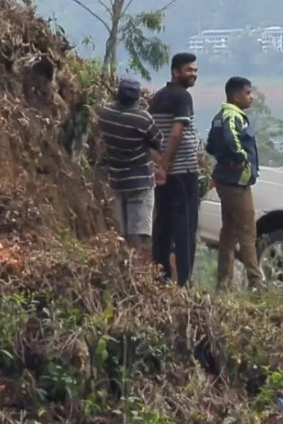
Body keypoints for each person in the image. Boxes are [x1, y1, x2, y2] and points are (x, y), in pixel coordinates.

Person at [94, 78, 165, 255]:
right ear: (137, 98)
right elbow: (158, 141)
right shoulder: (142, 118)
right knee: (138, 229)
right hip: (140, 180)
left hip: (117, 178)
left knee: (123, 228)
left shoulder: (105, 114)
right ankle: (134, 267)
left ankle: (125, 259)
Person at [207, 77, 263, 293]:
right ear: (236, 95)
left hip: (225, 180)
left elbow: (211, 145)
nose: (251, 97)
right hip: (236, 183)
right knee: (248, 230)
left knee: (229, 232)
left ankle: (223, 283)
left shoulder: (219, 117)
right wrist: (241, 161)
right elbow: (232, 141)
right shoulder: (232, 116)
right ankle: (256, 282)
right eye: (248, 93)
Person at [148, 52, 200, 286]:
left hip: (164, 174)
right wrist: (166, 163)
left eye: (195, 71)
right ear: (175, 72)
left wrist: (159, 163)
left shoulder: (157, 97)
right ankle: (184, 282)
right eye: (189, 70)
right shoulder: (182, 98)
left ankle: (161, 276)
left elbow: (149, 137)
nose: (193, 75)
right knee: (185, 227)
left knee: (163, 224)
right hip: (182, 173)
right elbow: (177, 132)